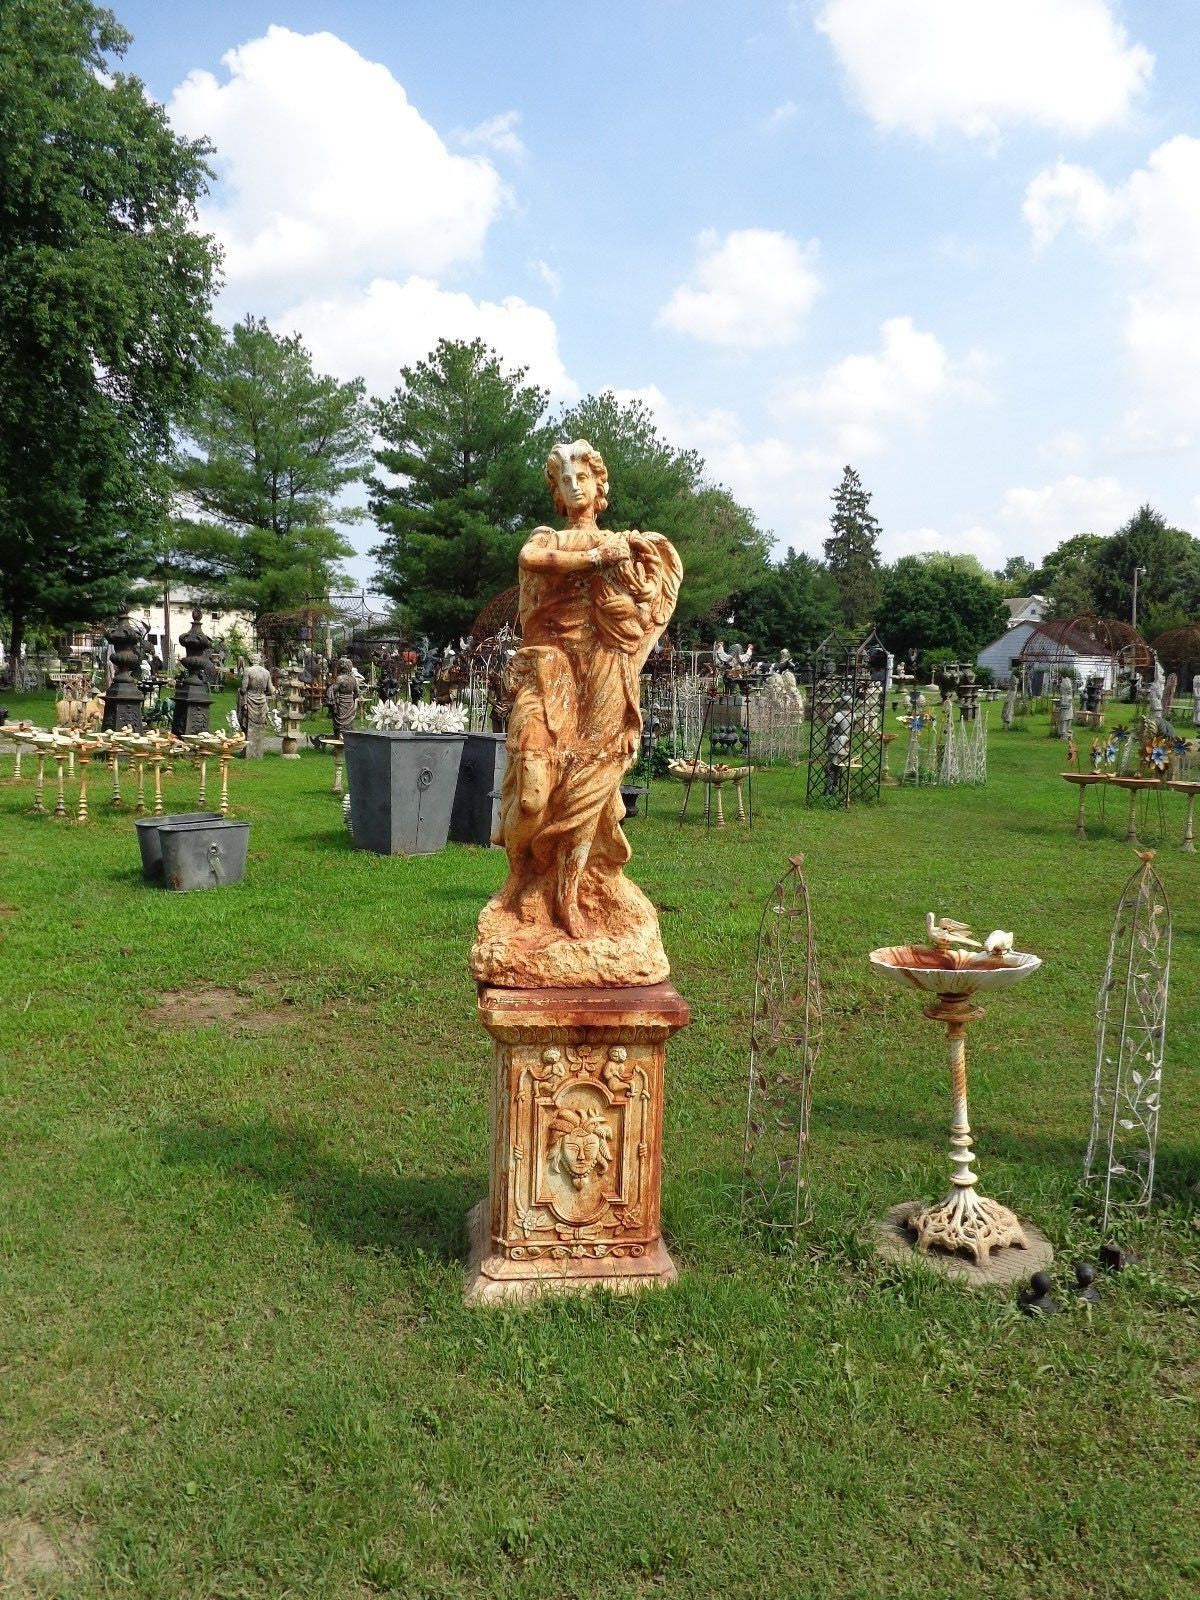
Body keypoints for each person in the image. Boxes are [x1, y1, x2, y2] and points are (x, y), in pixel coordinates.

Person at [477, 439, 681, 967]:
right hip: (548, 674)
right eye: (564, 480)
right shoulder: (549, 538)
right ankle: (519, 878)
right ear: (556, 492)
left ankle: (568, 896)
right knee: (533, 794)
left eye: (582, 476)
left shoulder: (623, 543)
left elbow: (642, 611)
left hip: (604, 673)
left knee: (589, 786)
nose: (574, 486)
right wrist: (595, 557)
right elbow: (531, 559)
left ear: (599, 483)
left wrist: (630, 576)